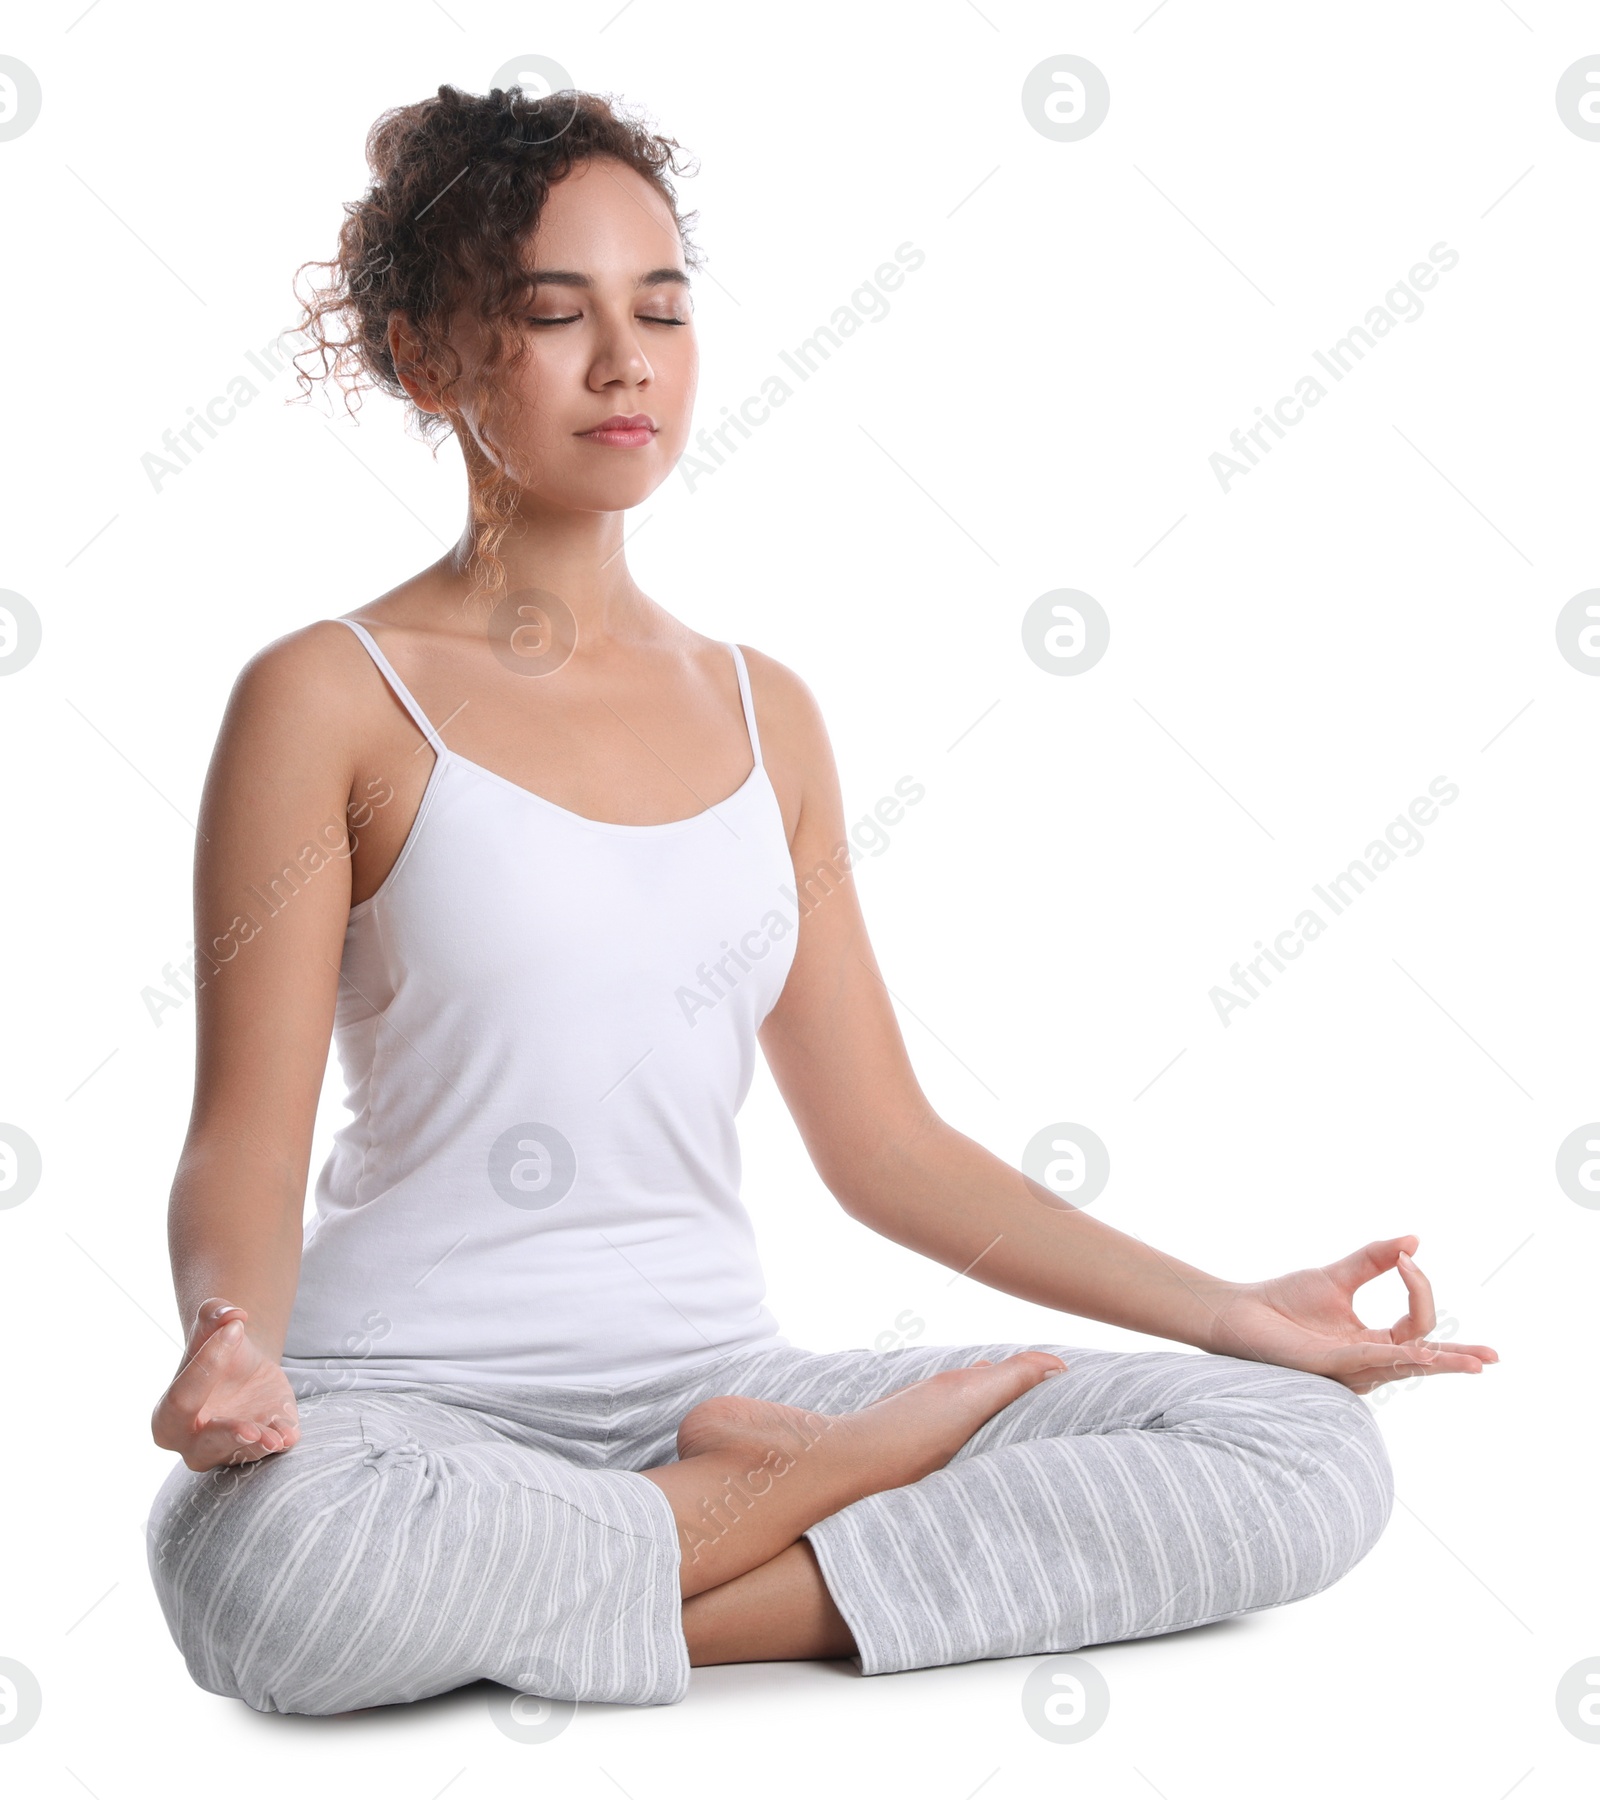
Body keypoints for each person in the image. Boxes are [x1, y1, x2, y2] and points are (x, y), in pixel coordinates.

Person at [144, 84, 1496, 1718]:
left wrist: (1229, 1308)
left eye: (662, 307)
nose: (627, 360)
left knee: (1298, 1450)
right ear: (429, 356)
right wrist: (227, 1332)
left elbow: (884, 1147)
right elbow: (248, 1125)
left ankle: (685, 1546)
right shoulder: (329, 695)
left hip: (720, 1385)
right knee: (271, 1577)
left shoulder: (762, 709)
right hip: (414, 1412)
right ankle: (821, 1493)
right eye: (554, 315)